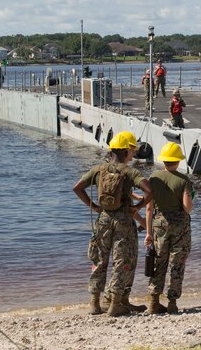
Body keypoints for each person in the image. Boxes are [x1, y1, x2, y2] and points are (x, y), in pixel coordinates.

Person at [72, 131, 154, 316]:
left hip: (103, 220)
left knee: (99, 259)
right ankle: (116, 303)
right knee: (123, 261)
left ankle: (94, 303)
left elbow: (77, 187)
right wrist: (138, 206)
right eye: (132, 151)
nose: (133, 154)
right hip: (123, 221)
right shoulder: (130, 172)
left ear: (111, 152)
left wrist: (93, 206)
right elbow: (150, 191)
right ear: (125, 151)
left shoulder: (99, 170)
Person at [145, 142, 194, 314]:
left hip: (158, 224)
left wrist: (149, 232)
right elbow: (187, 207)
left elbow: (149, 208)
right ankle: (172, 303)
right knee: (177, 263)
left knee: (159, 261)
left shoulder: (153, 179)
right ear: (178, 161)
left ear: (164, 160)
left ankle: (153, 301)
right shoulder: (184, 180)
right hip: (180, 226)